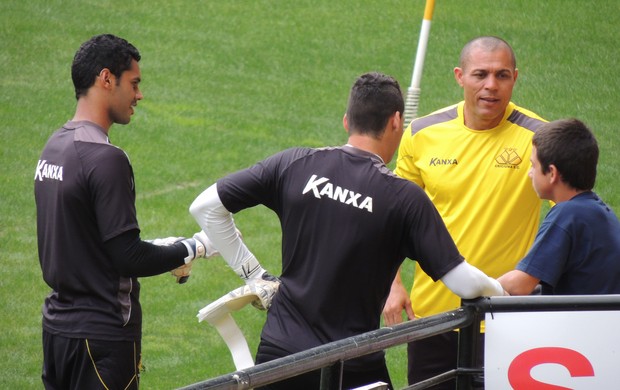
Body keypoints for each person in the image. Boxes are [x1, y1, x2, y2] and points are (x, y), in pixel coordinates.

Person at [189, 72, 505, 390]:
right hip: (352, 366)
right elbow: (463, 282)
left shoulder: (294, 164)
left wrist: (254, 274)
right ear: (396, 122)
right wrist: (502, 292)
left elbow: (205, 208)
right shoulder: (404, 198)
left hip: (280, 355)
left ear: (346, 121)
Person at [34, 34, 218, 390]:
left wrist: (163, 247)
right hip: (103, 336)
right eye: (133, 83)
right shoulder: (106, 159)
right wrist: (193, 247)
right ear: (106, 79)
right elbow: (128, 257)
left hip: (57, 332)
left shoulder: (52, 149)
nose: (139, 95)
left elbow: (87, 240)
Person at [382, 36, 547, 388]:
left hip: (505, 317)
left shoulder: (540, 138)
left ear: (515, 78)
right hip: (432, 319)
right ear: (459, 77)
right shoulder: (423, 133)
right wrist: (392, 284)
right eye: (480, 74)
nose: (491, 85)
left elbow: (572, 214)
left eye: (502, 75)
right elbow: (393, 217)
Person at [498, 118, 620, 295]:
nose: (529, 173)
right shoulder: (601, 212)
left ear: (552, 173)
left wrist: (478, 289)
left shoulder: (568, 214)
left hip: (580, 321)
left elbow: (519, 285)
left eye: (534, 165)